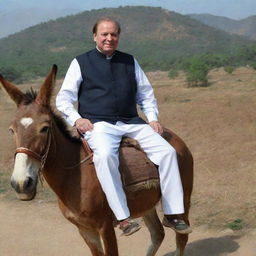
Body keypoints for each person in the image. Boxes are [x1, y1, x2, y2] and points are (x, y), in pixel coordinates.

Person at [56, 17, 192, 236]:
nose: (109, 38)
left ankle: (172, 214)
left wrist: (153, 118)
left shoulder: (130, 61)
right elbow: (63, 99)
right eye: (104, 34)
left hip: (131, 121)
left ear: (118, 37)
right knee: (105, 157)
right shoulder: (80, 62)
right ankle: (123, 217)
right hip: (98, 124)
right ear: (95, 37)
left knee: (167, 152)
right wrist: (76, 119)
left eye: (114, 34)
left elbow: (146, 94)